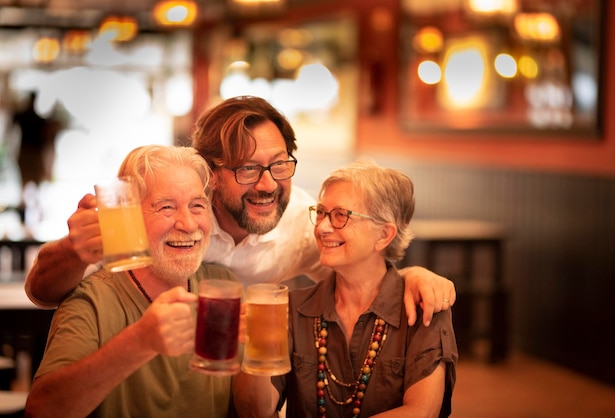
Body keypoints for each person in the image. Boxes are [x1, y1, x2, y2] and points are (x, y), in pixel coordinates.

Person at [24, 96, 455, 326]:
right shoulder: (165, 214)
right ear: (210, 174)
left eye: (279, 165)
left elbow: (361, 279)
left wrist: (410, 275)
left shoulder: (306, 225)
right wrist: (73, 251)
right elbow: (40, 292)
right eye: (247, 169)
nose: (268, 184)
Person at [24, 145, 238, 418]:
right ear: (129, 216)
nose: (187, 224)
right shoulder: (93, 300)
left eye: (197, 206)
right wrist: (140, 342)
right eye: (166, 207)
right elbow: (40, 411)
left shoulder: (223, 286)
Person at [233, 160, 457, 418]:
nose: (322, 227)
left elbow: (422, 412)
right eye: (321, 212)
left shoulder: (423, 307)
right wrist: (255, 353)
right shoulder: (292, 308)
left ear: (384, 235)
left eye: (341, 215)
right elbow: (256, 411)